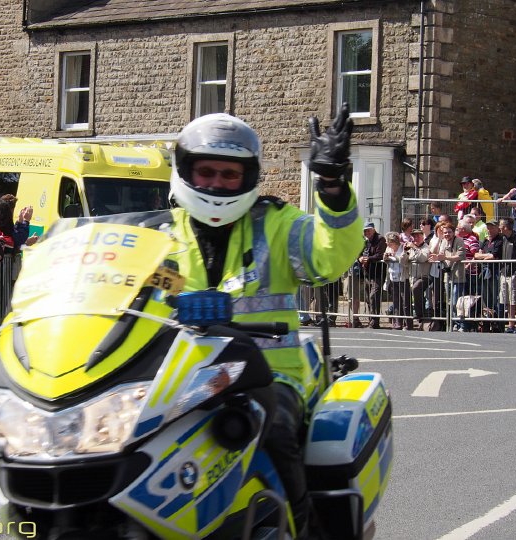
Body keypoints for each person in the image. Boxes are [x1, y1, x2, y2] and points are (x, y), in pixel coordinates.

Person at [143, 106, 362, 536]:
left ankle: (304, 525)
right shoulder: (159, 235)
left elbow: (329, 258)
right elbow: (126, 296)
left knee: (271, 425)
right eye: (207, 172)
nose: (217, 183)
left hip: (270, 376)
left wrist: (332, 187)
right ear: (186, 171)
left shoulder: (276, 224)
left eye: (229, 174)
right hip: (175, 379)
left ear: (249, 177)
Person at [358, 222, 387, 328]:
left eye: (368, 230)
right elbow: (360, 252)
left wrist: (368, 259)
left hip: (377, 273)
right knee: (367, 297)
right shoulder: (366, 242)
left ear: (374, 230)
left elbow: (380, 255)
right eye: (365, 231)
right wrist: (360, 257)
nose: (367, 232)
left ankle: (375, 321)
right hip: (367, 273)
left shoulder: (380, 239)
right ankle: (371, 319)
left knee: (373, 296)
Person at [383, 232, 411, 330]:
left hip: (403, 277)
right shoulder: (388, 248)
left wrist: (395, 256)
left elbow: (404, 260)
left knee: (405, 301)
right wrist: (386, 257)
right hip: (392, 277)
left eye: (389, 243)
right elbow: (385, 259)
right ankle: (397, 322)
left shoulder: (403, 247)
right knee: (396, 301)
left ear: (394, 242)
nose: (388, 245)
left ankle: (408, 323)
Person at [404, 228, 431, 328]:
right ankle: (409, 321)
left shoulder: (426, 247)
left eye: (418, 236)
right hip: (412, 277)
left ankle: (420, 314)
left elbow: (423, 258)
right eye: (414, 236)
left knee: (417, 287)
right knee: (407, 294)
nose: (415, 238)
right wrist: (404, 252)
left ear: (422, 236)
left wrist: (414, 248)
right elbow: (403, 263)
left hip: (424, 276)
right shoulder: (411, 248)